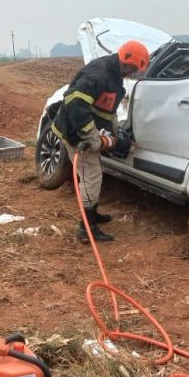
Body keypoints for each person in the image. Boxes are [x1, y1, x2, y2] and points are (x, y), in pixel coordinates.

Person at [50, 40, 148, 243]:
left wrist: (115, 133)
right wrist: (92, 137)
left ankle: (91, 215)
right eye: (134, 70)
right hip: (75, 133)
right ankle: (87, 227)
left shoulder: (113, 74)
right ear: (127, 62)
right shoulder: (100, 74)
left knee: (92, 175)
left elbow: (105, 109)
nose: (132, 75)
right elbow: (75, 103)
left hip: (81, 131)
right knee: (91, 177)